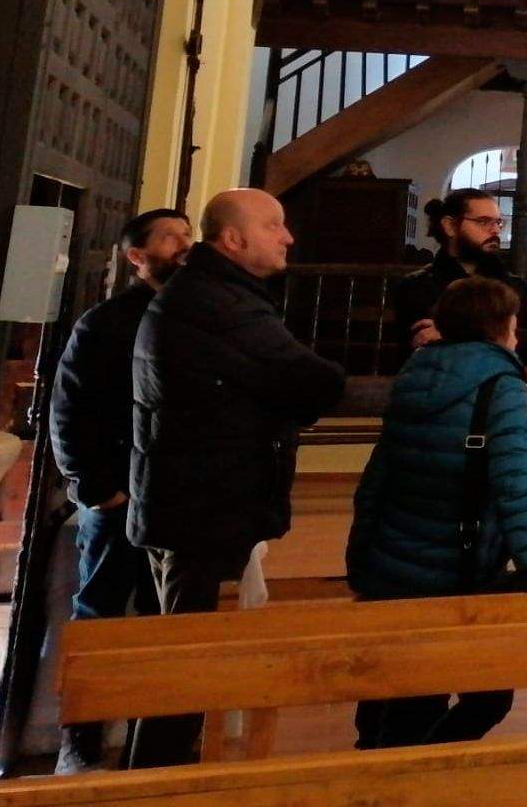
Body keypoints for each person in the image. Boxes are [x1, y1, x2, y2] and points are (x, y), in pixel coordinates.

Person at [126, 188, 346, 768]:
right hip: (204, 506)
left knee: (190, 654)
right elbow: (308, 379)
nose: (288, 236)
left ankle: (165, 767)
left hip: (196, 500)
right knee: (188, 663)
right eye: (275, 226)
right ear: (233, 239)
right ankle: (156, 782)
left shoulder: (211, 294)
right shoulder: (220, 303)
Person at [347, 276, 527, 749]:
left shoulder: (415, 373)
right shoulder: (501, 384)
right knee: (474, 699)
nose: (518, 336)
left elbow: (377, 476)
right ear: (500, 328)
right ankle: (397, 782)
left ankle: (381, 763)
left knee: (401, 695)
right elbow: (516, 487)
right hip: (455, 566)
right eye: (515, 326)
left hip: (395, 561)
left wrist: (362, 559)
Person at [46, 208, 191, 773]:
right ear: (137, 256)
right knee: (100, 615)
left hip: (175, 497)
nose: (184, 245)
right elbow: (69, 407)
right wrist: (94, 486)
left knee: (165, 623)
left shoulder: (195, 316)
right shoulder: (105, 322)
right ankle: (79, 744)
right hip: (119, 495)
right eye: (170, 237)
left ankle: (149, 744)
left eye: (187, 235)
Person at [393, 189, 527, 374]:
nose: (495, 230)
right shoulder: (415, 286)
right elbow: (421, 350)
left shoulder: (516, 286)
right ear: (450, 226)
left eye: (498, 222)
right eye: (484, 221)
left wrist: (455, 333)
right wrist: (501, 333)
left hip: (499, 389)